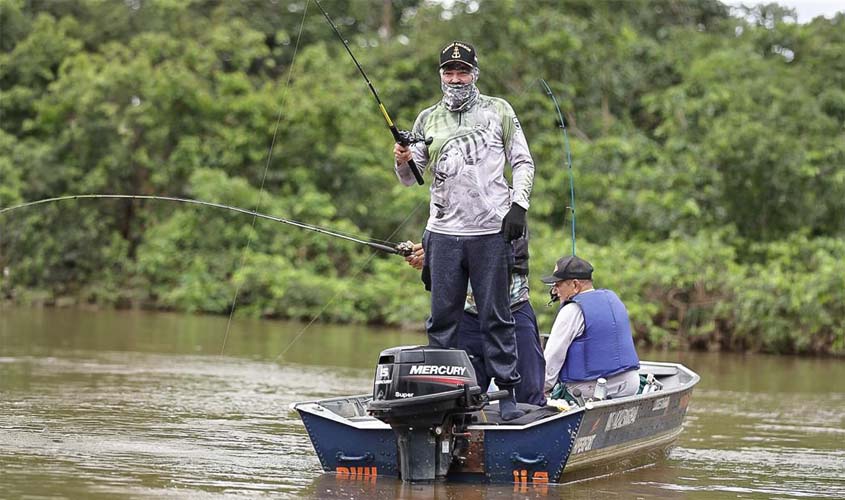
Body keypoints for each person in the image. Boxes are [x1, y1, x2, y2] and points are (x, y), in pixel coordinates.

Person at [393, 41, 535, 420]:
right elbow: (412, 179)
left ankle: (507, 399)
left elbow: (522, 161)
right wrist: (403, 159)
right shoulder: (427, 119)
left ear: (475, 74)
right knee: (442, 320)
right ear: (441, 75)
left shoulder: (499, 110)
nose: (456, 79)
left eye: (463, 71)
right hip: (442, 232)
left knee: (496, 317)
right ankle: (443, 402)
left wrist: (519, 205)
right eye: (449, 72)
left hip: (490, 232)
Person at [404, 235, 546, 406]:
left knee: (529, 393)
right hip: (466, 317)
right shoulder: (445, 218)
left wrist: (446, 253)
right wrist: (434, 255)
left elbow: (508, 252)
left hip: (513, 312)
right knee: (460, 399)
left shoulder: (509, 212)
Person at [540, 255, 640, 401]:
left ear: (575, 285)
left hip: (590, 390)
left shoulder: (571, 310)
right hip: (630, 385)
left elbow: (553, 358)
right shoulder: (614, 299)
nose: (555, 291)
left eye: (558, 285)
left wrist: (541, 389)